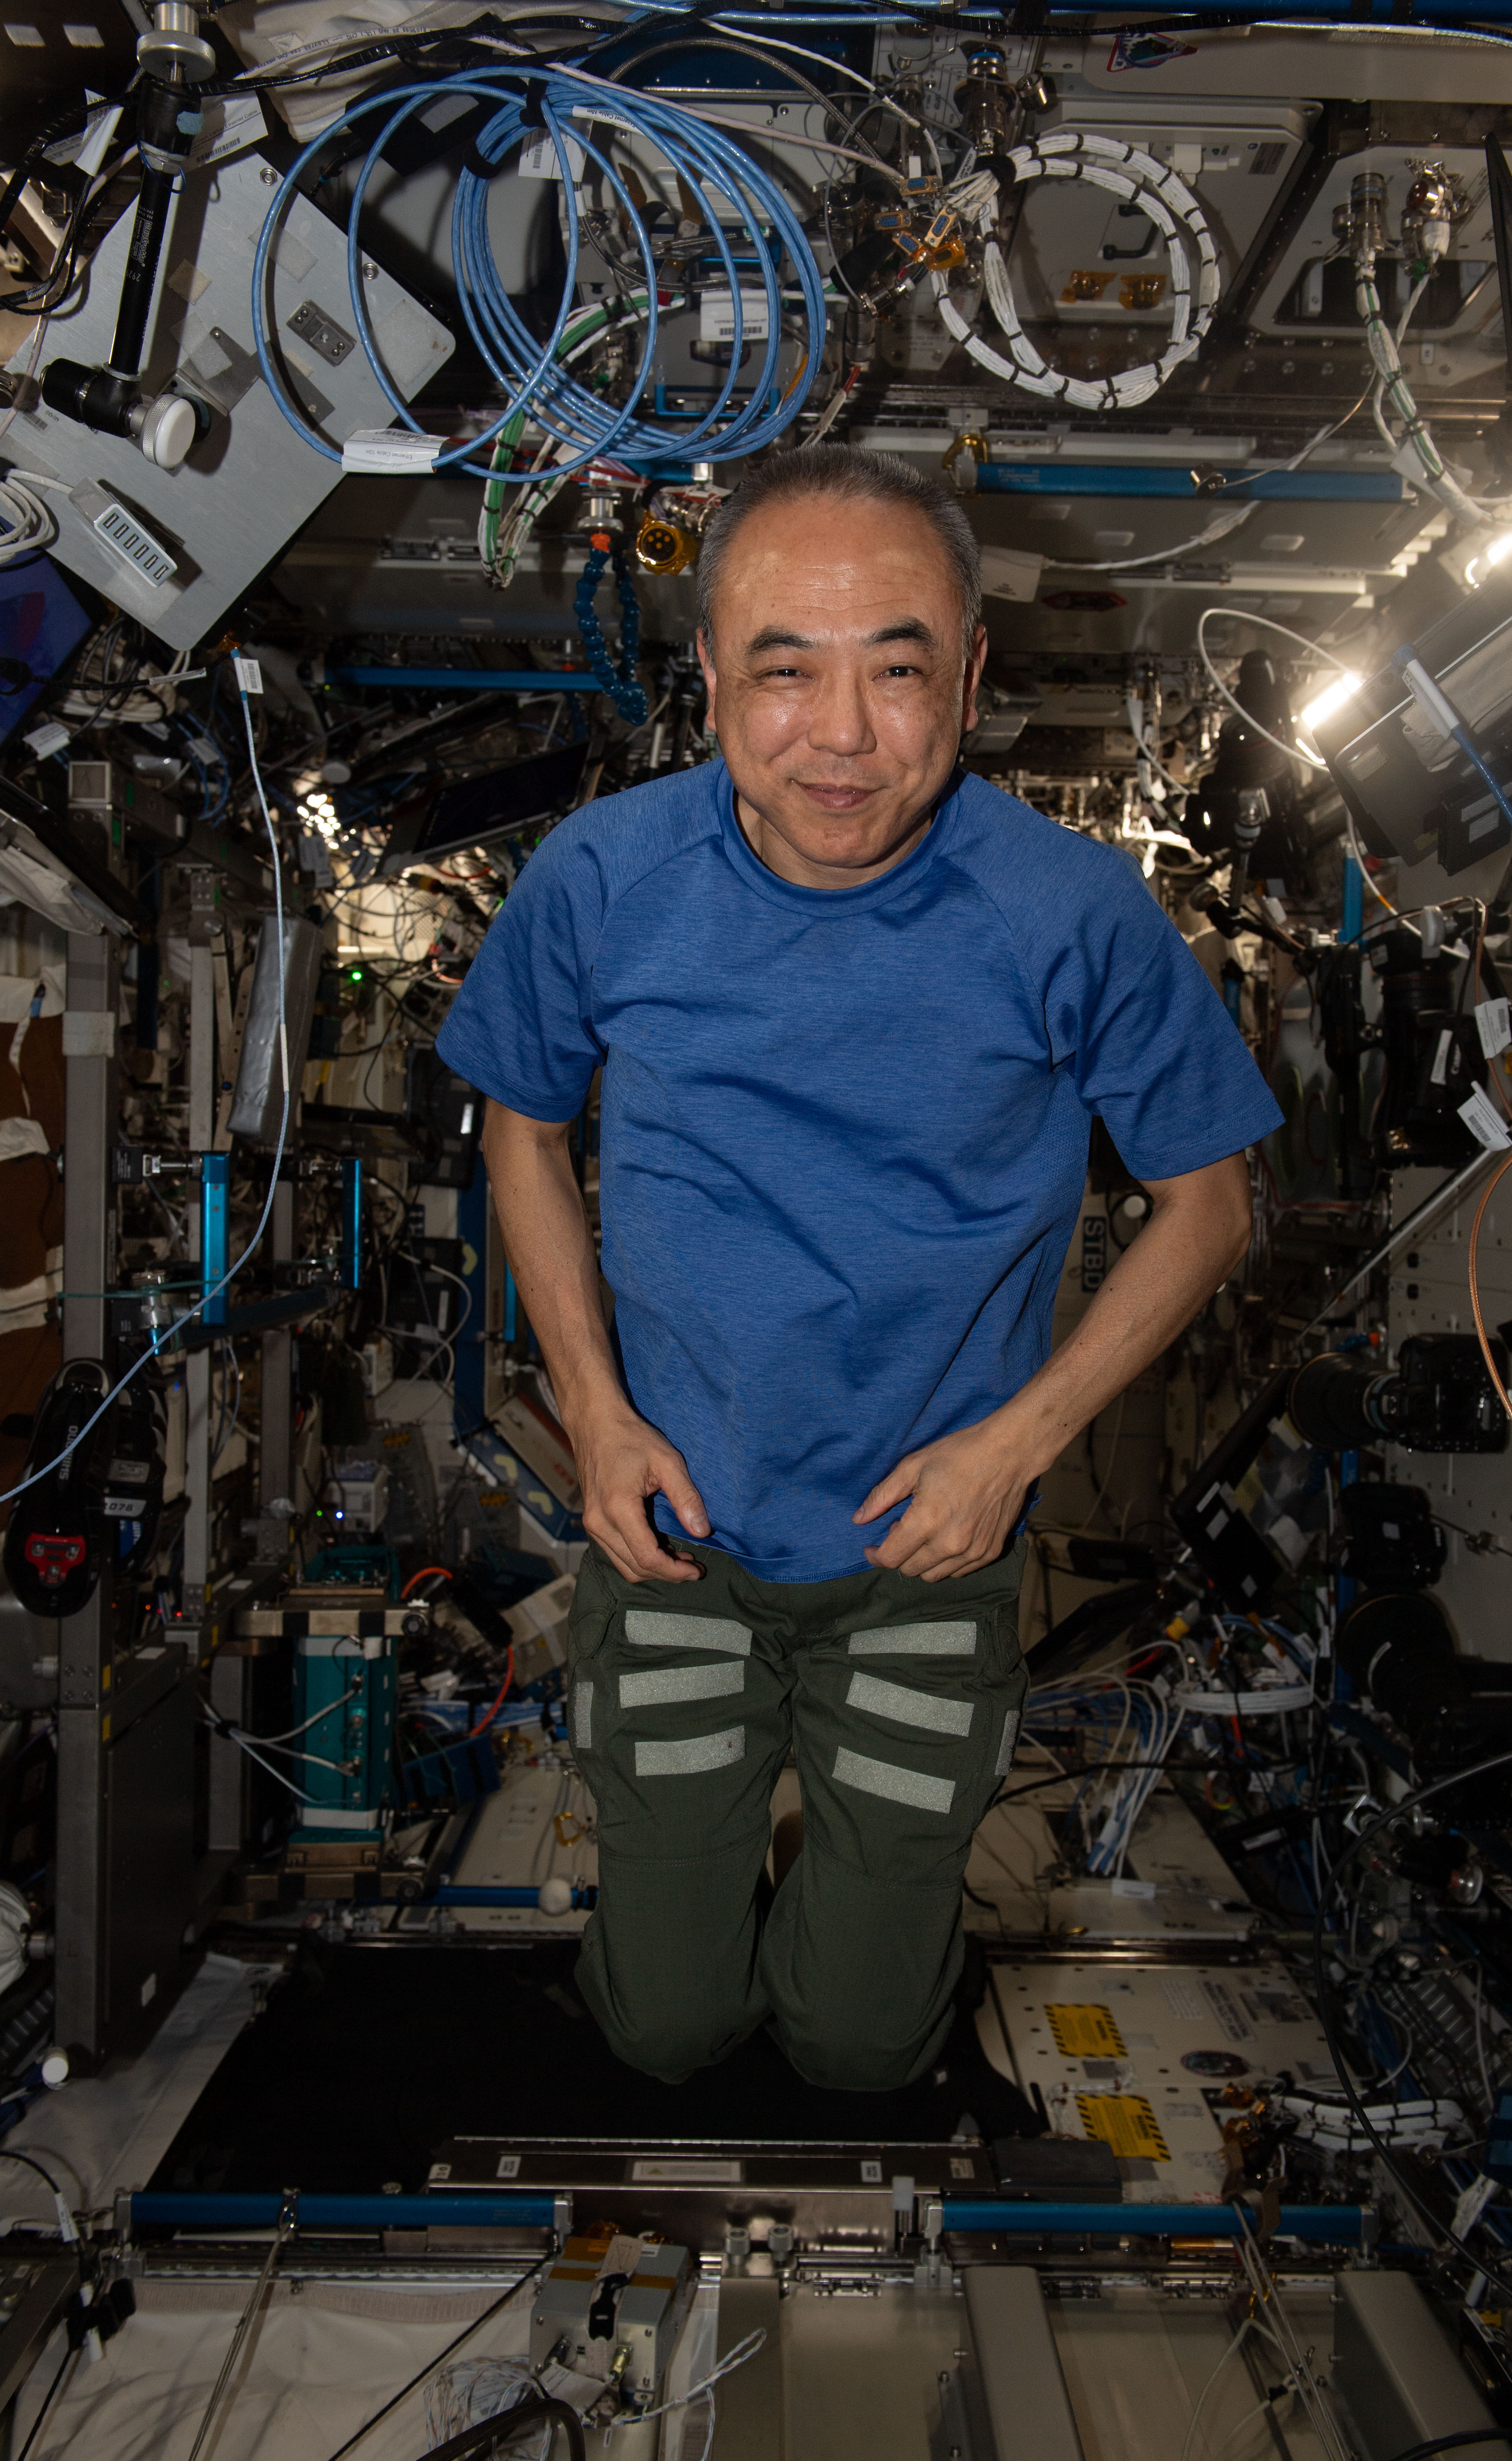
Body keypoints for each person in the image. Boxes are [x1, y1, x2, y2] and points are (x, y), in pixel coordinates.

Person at [436, 445, 1281, 2092]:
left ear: (968, 675)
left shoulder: (1074, 915)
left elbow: (1212, 1201)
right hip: (676, 1527)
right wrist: (597, 1420)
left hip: (929, 1546)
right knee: (669, 2026)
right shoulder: (603, 882)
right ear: (707, 678)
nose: (839, 735)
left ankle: (861, 1961)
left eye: (896, 669)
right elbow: (521, 1132)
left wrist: (1017, 1449)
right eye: (784, 669)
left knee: (861, 2045)